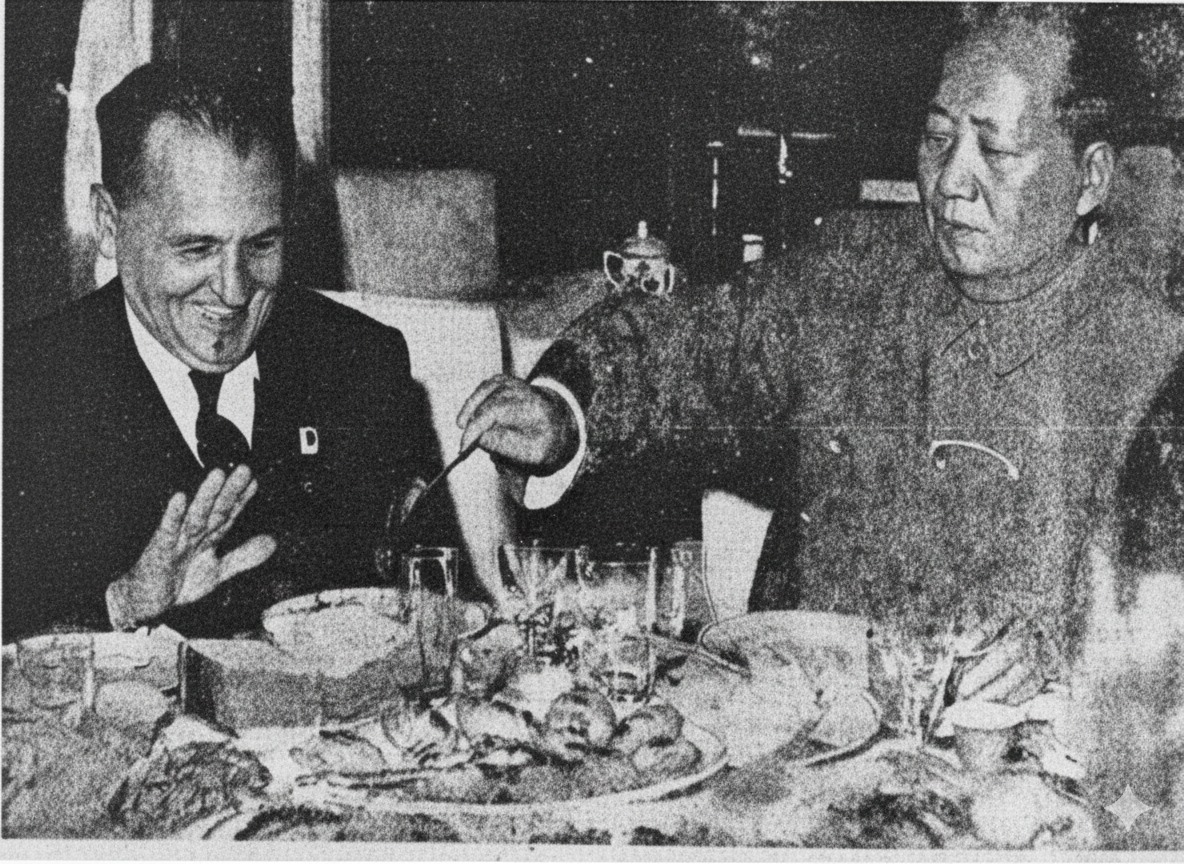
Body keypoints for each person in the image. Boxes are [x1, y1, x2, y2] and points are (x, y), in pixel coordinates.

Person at [459, 8, 1184, 716]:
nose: (951, 182)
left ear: (1090, 178)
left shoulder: (1155, 362)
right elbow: (694, 344)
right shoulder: (853, 272)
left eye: (995, 150)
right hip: (793, 729)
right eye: (937, 139)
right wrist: (564, 410)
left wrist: (1083, 646)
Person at [3, 63, 451, 641]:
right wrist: (121, 603)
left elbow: (438, 610)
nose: (235, 290)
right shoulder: (22, 392)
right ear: (109, 225)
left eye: (262, 243)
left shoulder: (361, 362)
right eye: (197, 248)